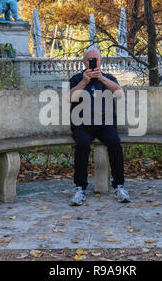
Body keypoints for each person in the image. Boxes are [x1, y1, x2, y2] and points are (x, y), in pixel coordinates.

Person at [65, 48, 130, 206]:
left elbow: (120, 94)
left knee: (114, 142)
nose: (92, 63)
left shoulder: (108, 78)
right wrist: (84, 82)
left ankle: (119, 186)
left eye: (95, 60)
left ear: (100, 62)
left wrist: (101, 78)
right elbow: (69, 98)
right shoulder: (76, 79)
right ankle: (80, 188)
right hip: (82, 124)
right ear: (84, 62)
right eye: (89, 60)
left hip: (105, 124)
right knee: (82, 144)